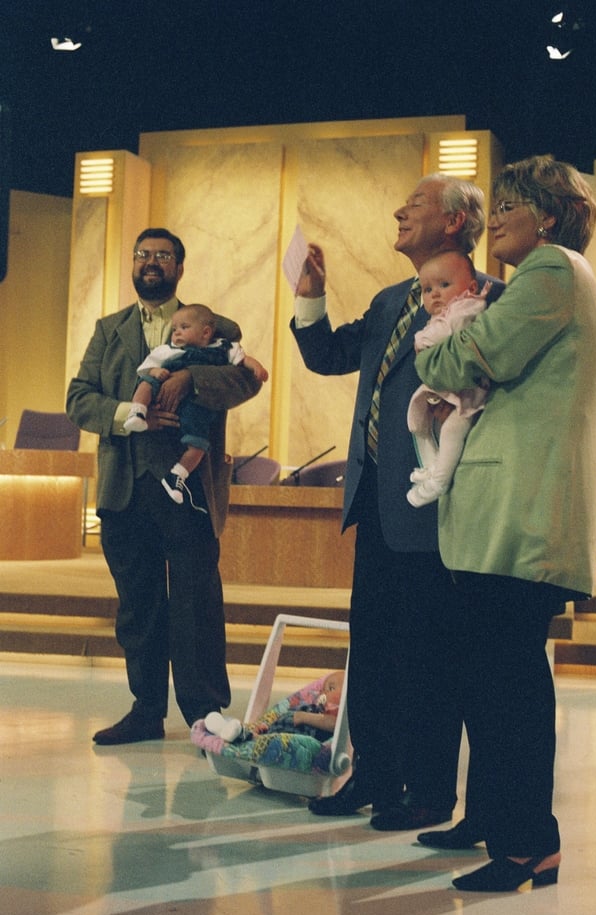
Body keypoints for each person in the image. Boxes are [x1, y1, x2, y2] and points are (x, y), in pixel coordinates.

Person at [414, 156, 596, 890]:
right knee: (495, 682)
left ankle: (530, 843)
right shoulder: (544, 276)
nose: (495, 219)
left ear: (549, 216)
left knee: (511, 692)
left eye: (510, 207)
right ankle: (500, 824)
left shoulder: (551, 272)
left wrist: (444, 339)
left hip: (519, 521)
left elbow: (469, 357)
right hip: (509, 519)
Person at [291, 175, 504, 831]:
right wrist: (310, 296)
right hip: (377, 503)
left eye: (413, 205)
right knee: (376, 649)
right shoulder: (392, 300)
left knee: (430, 655)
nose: (397, 212)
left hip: (439, 506)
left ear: (452, 223)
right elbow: (329, 354)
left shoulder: (493, 298)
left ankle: (431, 790)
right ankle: (376, 772)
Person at [67, 228, 263, 745]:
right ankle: (146, 709)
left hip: (187, 486)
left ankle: (206, 715)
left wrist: (191, 381)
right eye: (143, 254)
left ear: (179, 266)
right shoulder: (110, 329)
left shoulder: (212, 325)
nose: (151, 262)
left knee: (197, 602)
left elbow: (245, 381)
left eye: (163, 256)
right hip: (124, 488)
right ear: (133, 264)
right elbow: (78, 397)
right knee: (138, 606)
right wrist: (123, 416)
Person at [123, 302, 268, 507]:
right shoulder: (167, 350)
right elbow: (146, 368)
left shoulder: (223, 342)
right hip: (131, 476)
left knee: (198, 445)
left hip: (198, 414)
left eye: (183, 328)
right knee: (147, 383)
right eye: (174, 330)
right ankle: (136, 412)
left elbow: (244, 368)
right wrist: (156, 373)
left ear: (206, 332)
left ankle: (177, 476)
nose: (177, 333)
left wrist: (257, 367)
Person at [406, 251, 491, 507]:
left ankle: (440, 479)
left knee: (453, 429)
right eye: (427, 289)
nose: (435, 294)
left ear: (471, 287)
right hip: (447, 389)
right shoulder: (445, 313)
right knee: (419, 425)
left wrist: (421, 340)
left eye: (444, 285)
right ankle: (432, 467)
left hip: (470, 391)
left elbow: (444, 334)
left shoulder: (469, 306)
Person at [203, 670, 345, 743]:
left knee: (265, 741)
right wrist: (268, 727)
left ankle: (237, 733)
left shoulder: (338, 720)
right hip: (278, 731)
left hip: (293, 741)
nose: (323, 692)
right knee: (259, 732)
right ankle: (226, 727)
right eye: (322, 689)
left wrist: (302, 717)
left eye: (331, 689)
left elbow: (333, 724)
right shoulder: (314, 707)